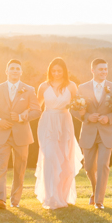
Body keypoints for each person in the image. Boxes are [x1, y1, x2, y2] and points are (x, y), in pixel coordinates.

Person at [0, 59, 41, 209]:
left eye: (17, 69)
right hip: (2, 134)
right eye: (12, 68)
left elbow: (37, 110)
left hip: (21, 135)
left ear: (21, 72)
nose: (15, 71)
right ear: (6, 71)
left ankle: (15, 201)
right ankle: (0, 199)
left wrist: (22, 117)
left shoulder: (29, 89)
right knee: (0, 167)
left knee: (19, 169)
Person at [72, 58, 112, 209]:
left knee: (103, 165)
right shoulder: (82, 88)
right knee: (88, 167)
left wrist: (109, 118)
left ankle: (99, 201)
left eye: (106, 69)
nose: (104, 72)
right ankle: (95, 191)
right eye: (101, 69)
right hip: (88, 132)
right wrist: (87, 117)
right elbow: (74, 109)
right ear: (93, 70)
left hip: (106, 132)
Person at [34, 58, 83, 210]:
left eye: (59, 71)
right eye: (53, 71)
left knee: (64, 159)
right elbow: (36, 107)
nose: (56, 73)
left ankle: (62, 195)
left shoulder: (71, 86)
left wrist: (85, 115)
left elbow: (78, 106)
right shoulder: (43, 86)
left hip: (64, 123)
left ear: (64, 72)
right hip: (47, 122)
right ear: (49, 71)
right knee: (49, 157)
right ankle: (50, 196)